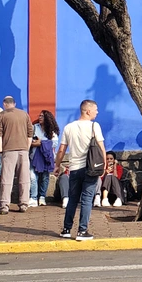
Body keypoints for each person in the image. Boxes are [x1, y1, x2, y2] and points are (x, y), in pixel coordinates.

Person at [54, 99, 105, 241]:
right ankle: (82, 230)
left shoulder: (69, 127)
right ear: (88, 111)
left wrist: (57, 165)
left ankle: (66, 229)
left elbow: (62, 149)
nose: (97, 112)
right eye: (95, 110)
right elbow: (101, 148)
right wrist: (104, 165)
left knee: (72, 199)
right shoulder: (95, 126)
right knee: (87, 199)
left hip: (74, 168)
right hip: (90, 168)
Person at [0, 95, 34, 214]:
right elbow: (30, 133)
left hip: (8, 150)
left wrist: (0, 150)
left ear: (4, 104)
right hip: (23, 150)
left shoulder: (1, 115)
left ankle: (4, 206)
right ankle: (23, 204)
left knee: (7, 178)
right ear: (14, 104)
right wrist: (26, 148)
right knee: (24, 178)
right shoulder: (24, 114)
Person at [30, 109, 60, 207]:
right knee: (33, 177)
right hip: (33, 157)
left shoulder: (51, 131)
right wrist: (41, 143)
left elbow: (54, 143)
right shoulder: (34, 128)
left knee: (44, 178)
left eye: (42, 116)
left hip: (46, 158)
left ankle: (42, 197)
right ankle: (33, 197)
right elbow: (29, 142)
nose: (40, 117)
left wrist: (40, 143)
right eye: (39, 115)